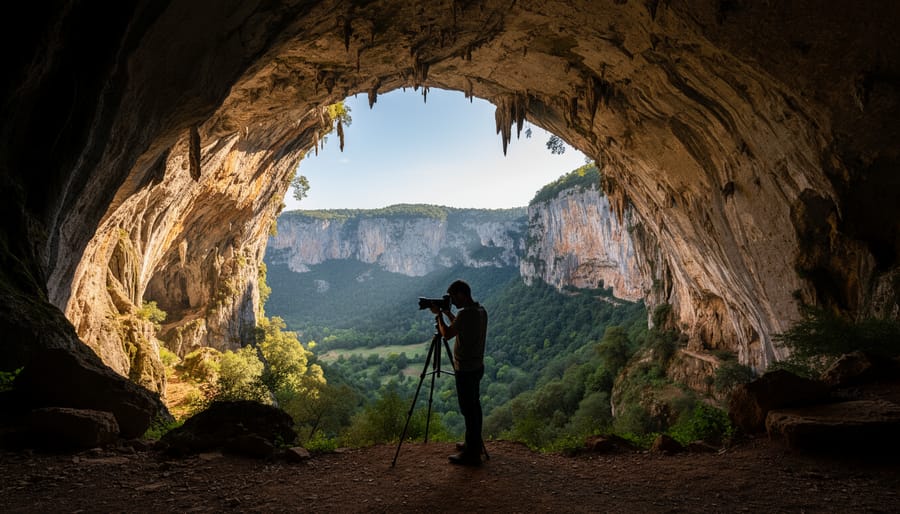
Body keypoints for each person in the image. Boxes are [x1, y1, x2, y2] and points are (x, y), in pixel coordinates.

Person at [431, 279, 488, 466]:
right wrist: (447, 312)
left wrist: (438, 315)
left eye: (453, 298)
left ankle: (471, 454)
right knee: (474, 407)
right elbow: (460, 325)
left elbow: (447, 334)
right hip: (477, 366)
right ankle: (474, 443)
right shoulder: (480, 311)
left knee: (467, 409)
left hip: (465, 368)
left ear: (462, 294)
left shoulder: (465, 315)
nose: (452, 302)